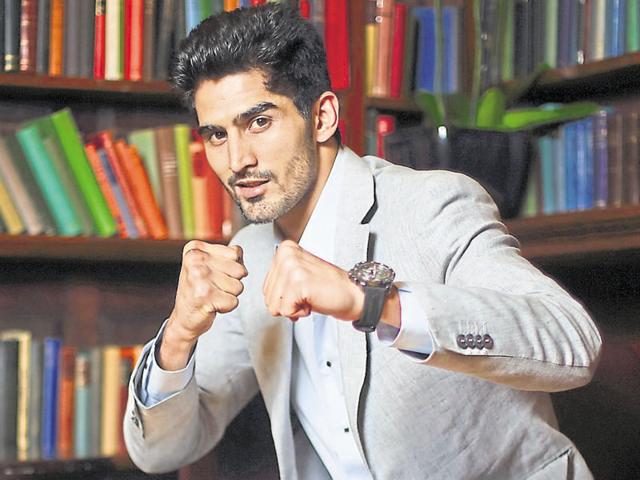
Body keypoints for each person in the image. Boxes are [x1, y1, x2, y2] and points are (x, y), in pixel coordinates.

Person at [124, 4, 602, 479]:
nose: (237, 160)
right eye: (216, 135)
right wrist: (180, 334)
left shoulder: (431, 203)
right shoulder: (248, 256)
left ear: (323, 116)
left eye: (260, 122)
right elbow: (160, 452)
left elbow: (572, 343)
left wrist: (372, 302)